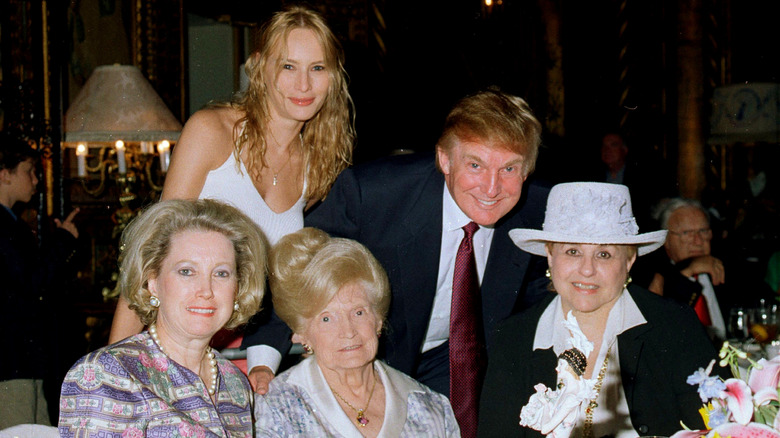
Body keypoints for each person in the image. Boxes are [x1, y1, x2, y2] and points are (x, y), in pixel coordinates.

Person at [251, 89, 548, 437]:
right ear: (445, 160)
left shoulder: (537, 212)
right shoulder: (374, 194)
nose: (492, 187)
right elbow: (301, 269)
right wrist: (263, 361)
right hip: (367, 354)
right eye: (475, 165)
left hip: (462, 365)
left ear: (526, 171)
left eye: (509, 168)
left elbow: (538, 306)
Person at [107, 5, 355, 380]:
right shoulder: (213, 131)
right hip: (175, 347)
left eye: (317, 68)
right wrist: (112, 368)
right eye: (288, 66)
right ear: (259, 68)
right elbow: (150, 254)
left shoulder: (317, 162)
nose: (303, 85)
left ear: (333, 77)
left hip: (251, 360)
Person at [478, 182, 722, 437]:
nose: (587, 270)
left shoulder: (674, 325)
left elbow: (717, 427)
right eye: (572, 251)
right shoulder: (514, 337)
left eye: (604, 254)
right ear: (550, 256)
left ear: (629, 260)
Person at [58, 199, 265, 436]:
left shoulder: (235, 382)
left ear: (237, 287)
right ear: (153, 282)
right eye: (186, 271)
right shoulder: (107, 374)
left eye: (221, 273)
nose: (206, 290)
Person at [254, 227, 460, 437]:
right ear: (301, 333)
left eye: (359, 312)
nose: (348, 331)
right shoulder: (276, 408)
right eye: (327, 318)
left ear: (378, 319)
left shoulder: (431, 408)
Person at [0, 134, 80, 428]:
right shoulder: (3, 225)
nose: (35, 180)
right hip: (11, 361)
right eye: (29, 171)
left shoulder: (10, 223)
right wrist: (61, 243)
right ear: (5, 174)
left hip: (22, 360)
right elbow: (30, 282)